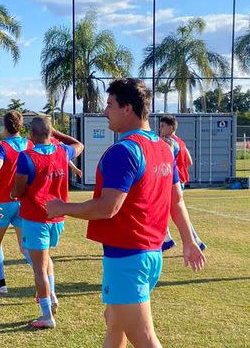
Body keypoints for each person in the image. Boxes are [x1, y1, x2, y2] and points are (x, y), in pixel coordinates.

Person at [47, 79, 205, 347]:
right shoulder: (163, 149)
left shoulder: (125, 151)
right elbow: (176, 200)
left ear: (127, 108)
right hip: (148, 255)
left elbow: (108, 208)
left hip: (128, 259)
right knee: (114, 325)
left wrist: (61, 207)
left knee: (144, 339)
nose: (105, 111)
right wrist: (188, 241)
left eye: (110, 105)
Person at [13, 116, 83, 329]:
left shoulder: (27, 157)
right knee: (45, 261)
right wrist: (56, 134)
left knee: (38, 268)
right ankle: (51, 296)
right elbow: (79, 145)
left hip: (36, 218)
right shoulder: (62, 152)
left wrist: (15, 192)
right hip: (57, 219)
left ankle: (46, 315)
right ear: (51, 134)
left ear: (32, 135)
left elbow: (18, 190)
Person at [0, 110, 33, 296]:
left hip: (2, 203)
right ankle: (43, 279)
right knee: (25, 247)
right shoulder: (28, 144)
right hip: (22, 202)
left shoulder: (1, 147)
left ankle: (1, 284)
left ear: (5, 127)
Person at [157, 115, 207, 252]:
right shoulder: (181, 142)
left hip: (172, 181)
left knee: (164, 210)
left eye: (162, 126)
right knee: (171, 211)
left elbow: (168, 159)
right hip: (180, 181)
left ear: (171, 127)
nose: (160, 129)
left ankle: (169, 240)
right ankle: (168, 240)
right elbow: (189, 161)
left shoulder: (167, 141)